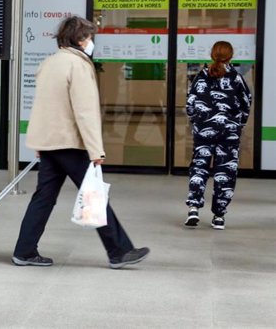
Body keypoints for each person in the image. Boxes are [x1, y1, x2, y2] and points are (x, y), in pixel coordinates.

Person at [13, 16, 150, 270]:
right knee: (93, 195)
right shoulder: (79, 66)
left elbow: (42, 106)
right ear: (79, 39)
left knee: (43, 198)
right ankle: (118, 251)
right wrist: (96, 149)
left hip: (50, 143)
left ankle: (24, 250)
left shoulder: (49, 63)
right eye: (89, 37)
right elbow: (85, 112)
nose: (91, 42)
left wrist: (39, 142)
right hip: (71, 143)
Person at [184, 41, 251, 230]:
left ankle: (193, 208)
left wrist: (197, 121)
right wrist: (239, 124)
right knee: (226, 171)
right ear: (231, 56)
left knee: (199, 168)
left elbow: (190, 101)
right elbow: (246, 103)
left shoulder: (202, 76)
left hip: (204, 132)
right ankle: (219, 216)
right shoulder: (236, 78)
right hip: (229, 133)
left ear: (212, 54)